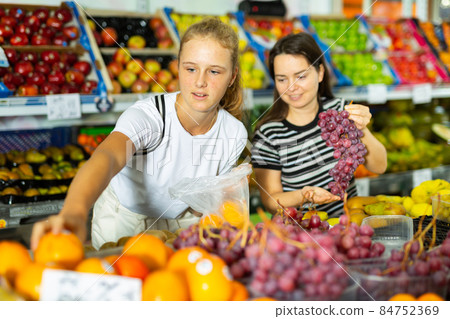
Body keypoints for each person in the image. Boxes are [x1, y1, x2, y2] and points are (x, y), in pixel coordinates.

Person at [31, 18, 248, 250]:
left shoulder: (233, 133)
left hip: (181, 223)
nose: (200, 81)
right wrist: (74, 211)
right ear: (178, 67)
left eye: (214, 71)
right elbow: (107, 157)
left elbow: (207, 200)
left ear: (232, 76)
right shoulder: (151, 116)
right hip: (123, 219)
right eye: (191, 68)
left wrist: (219, 198)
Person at [251, 33, 387, 217]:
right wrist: (305, 195)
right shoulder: (268, 134)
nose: (291, 87)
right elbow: (270, 200)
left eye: (300, 76)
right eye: (282, 79)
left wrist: (362, 130)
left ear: (320, 72)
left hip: (350, 227)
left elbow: (379, 167)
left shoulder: (339, 111)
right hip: (304, 234)